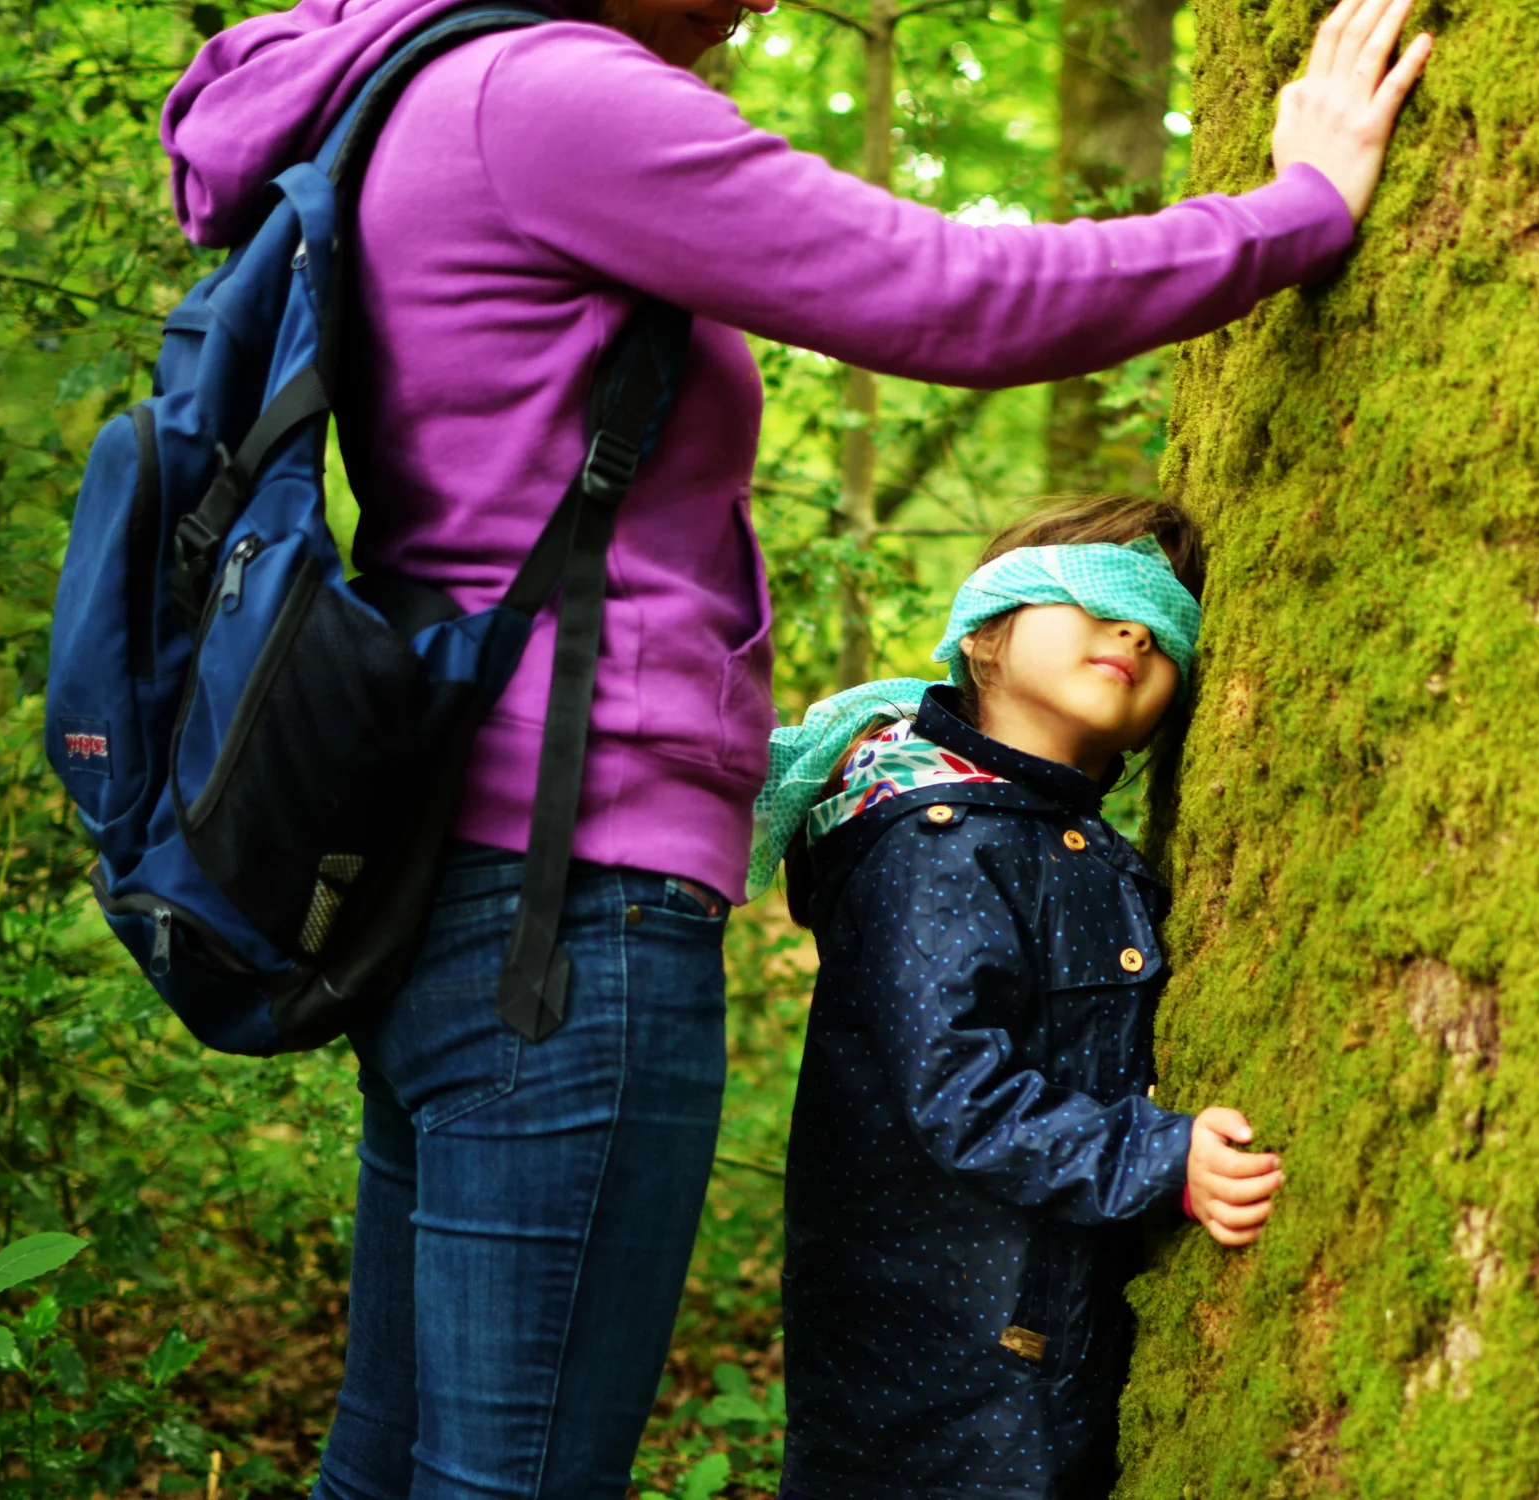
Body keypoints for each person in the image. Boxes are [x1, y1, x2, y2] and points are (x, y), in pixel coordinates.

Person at [159, 0, 1428, 1494]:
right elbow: (949, 291)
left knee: (393, 1466)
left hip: (452, 868)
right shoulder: (549, 95)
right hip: (566, 905)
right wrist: (1293, 212)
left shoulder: (401, 95)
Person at [758, 495, 1283, 1500]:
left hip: (1037, 1347)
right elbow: (956, 1086)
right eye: (1093, 593)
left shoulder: (1059, 840)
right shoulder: (932, 838)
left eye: (1165, 622)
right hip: (945, 1375)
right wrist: (1155, 1156)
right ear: (986, 636)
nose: (1133, 625)